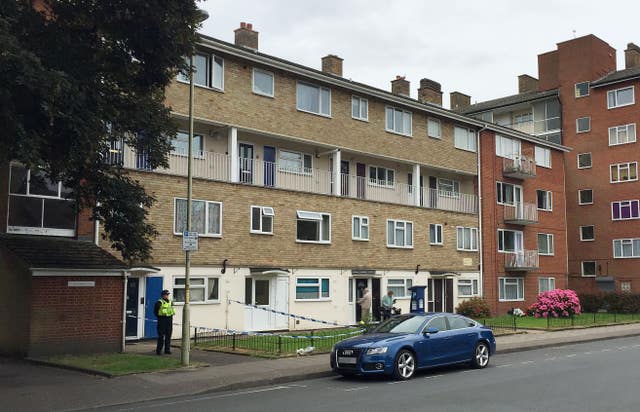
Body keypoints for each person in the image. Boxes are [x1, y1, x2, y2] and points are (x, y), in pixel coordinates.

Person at [154, 289, 176, 355]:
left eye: (168, 295)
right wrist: (160, 316)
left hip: (169, 320)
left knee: (168, 336)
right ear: (163, 295)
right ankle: (159, 350)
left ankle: (167, 350)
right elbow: (155, 312)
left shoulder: (170, 302)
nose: (167, 296)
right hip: (162, 320)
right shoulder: (159, 302)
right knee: (161, 336)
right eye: (166, 295)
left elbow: (172, 310)